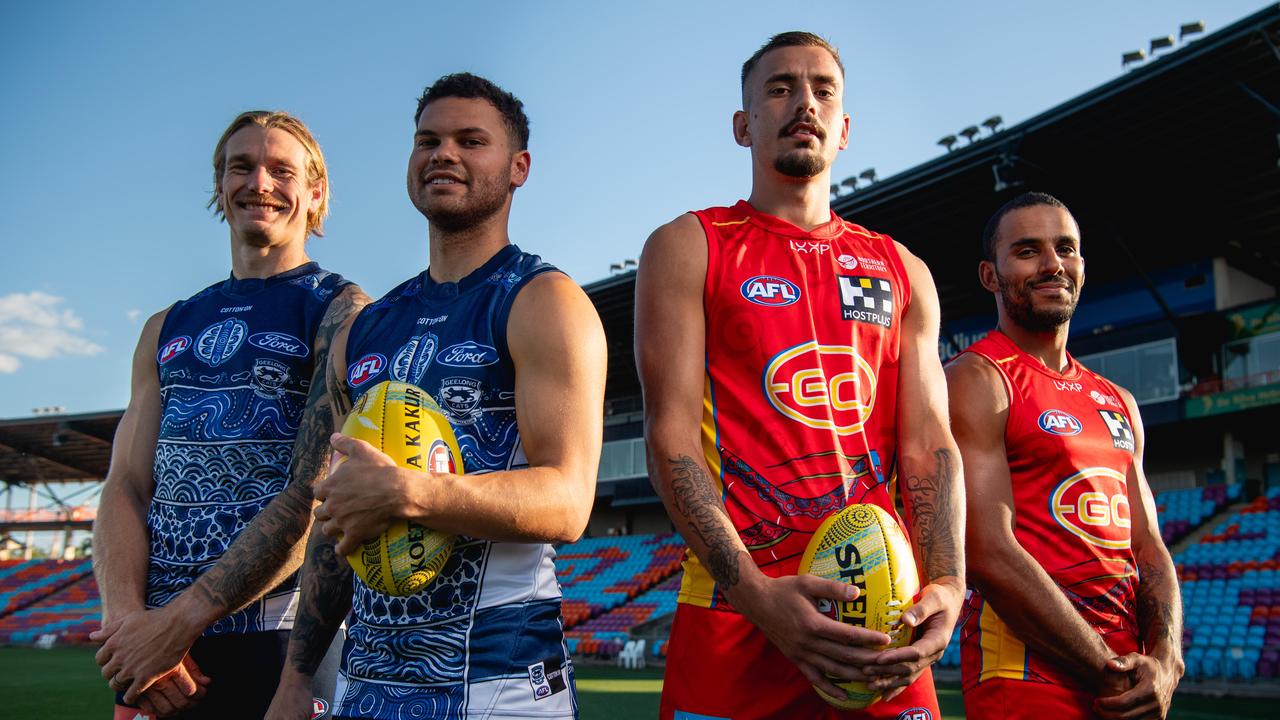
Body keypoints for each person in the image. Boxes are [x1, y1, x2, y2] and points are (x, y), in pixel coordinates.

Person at [635, 31, 965, 720]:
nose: (804, 103)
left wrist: (951, 581)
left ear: (844, 129)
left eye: (823, 91)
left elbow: (930, 445)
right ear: (742, 123)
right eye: (780, 87)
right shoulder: (688, 245)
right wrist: (757, 596)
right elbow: (672, 439)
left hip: (878, 613)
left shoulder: (904, 271)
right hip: (733, 611)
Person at [264, 73, 606, 720]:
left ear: (517, 167)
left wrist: (408, 494)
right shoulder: (365, 328)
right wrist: (296, 678)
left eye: (470, 140)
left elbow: (567, 501)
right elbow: (338, 519)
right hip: (364, 688)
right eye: (428, 140)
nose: (443, 153)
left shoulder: (542, 301)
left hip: (499, 688)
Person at [91, 110, 367, 719]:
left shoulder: (341, 312)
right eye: (241, 166)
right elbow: (126, 486)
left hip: (276, 642)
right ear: (220, 185)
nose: (259, 182)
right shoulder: (165, 326)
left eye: (281, 170)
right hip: (158, 660)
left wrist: (180, 621)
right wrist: (128, 623)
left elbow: (313, 494)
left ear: (316, 193)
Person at [947, 192, 1184, 719]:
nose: (1052, 264)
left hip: (1124, 675)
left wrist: (1166, 661)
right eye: (1027, 251)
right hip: (1025, 674)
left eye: (1065, 248)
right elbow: (987, 551)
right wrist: (1108, 670)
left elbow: (1149, 548)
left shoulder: (1119, 400)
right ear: (991, 275)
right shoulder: (976, 379)